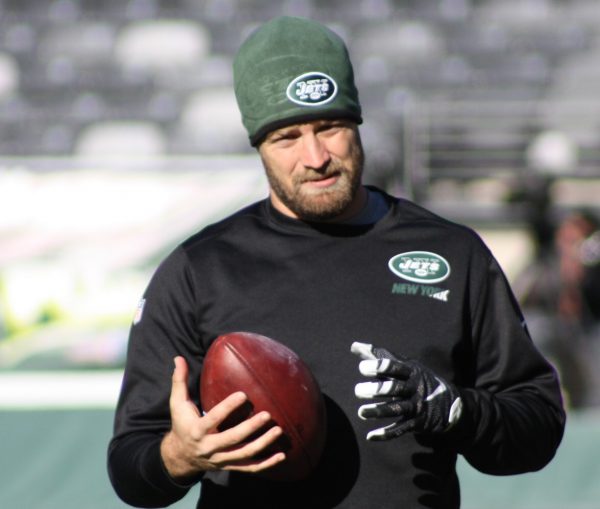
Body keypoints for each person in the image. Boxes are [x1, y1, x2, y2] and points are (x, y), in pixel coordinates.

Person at [107, 16, 565, 509]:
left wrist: (457, 411)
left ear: (357, 124)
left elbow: (538, 426)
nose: (315, 156)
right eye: (287, 137)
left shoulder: (452, 253)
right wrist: (181, 456)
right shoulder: (199, 270)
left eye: (330, 128)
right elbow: (131, 469)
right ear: (259, 147)